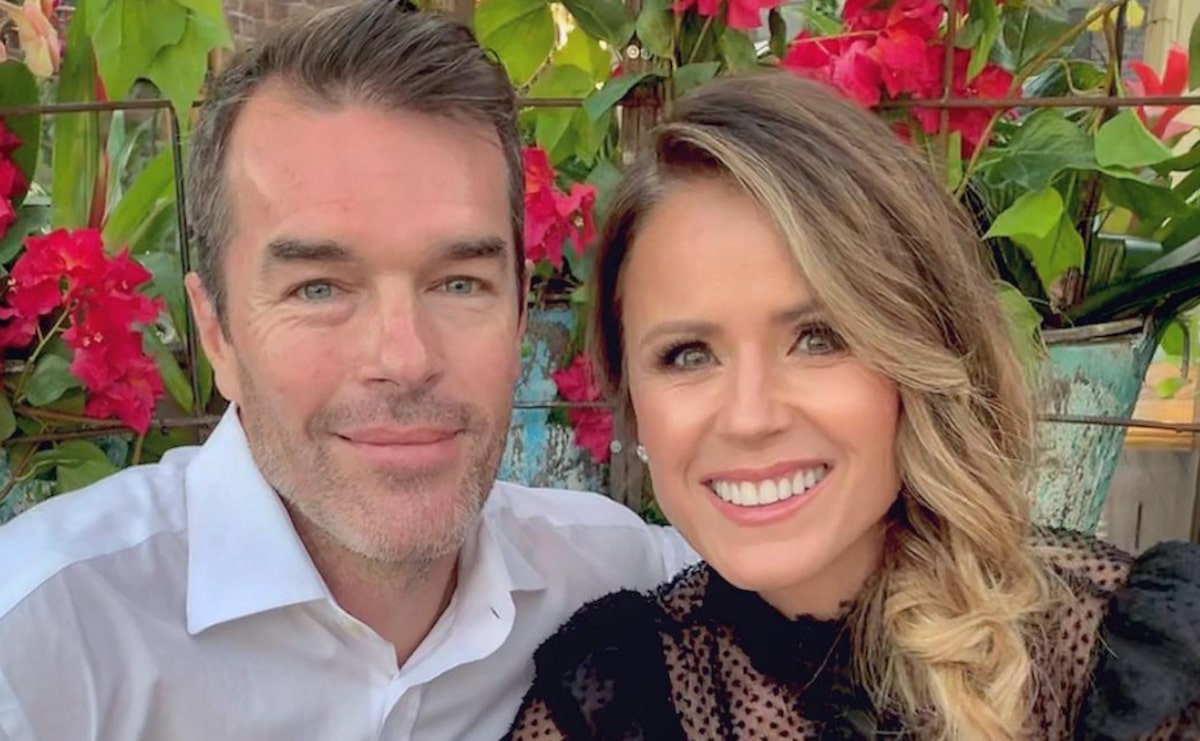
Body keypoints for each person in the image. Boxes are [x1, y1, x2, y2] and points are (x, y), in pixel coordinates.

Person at [0, 4, 695, 739]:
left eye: (459, 283)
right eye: (319, 289)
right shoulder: (43, 647)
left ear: (521, 311)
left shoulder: (617, 580)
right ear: (217, 332)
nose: (404, 359)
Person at [504, 71, 1200, 740]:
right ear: (631, 397)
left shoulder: (1122, 665)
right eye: (688, 355)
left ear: (921, 351)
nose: (750, 416)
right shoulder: (613, 701)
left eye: (819, 338)